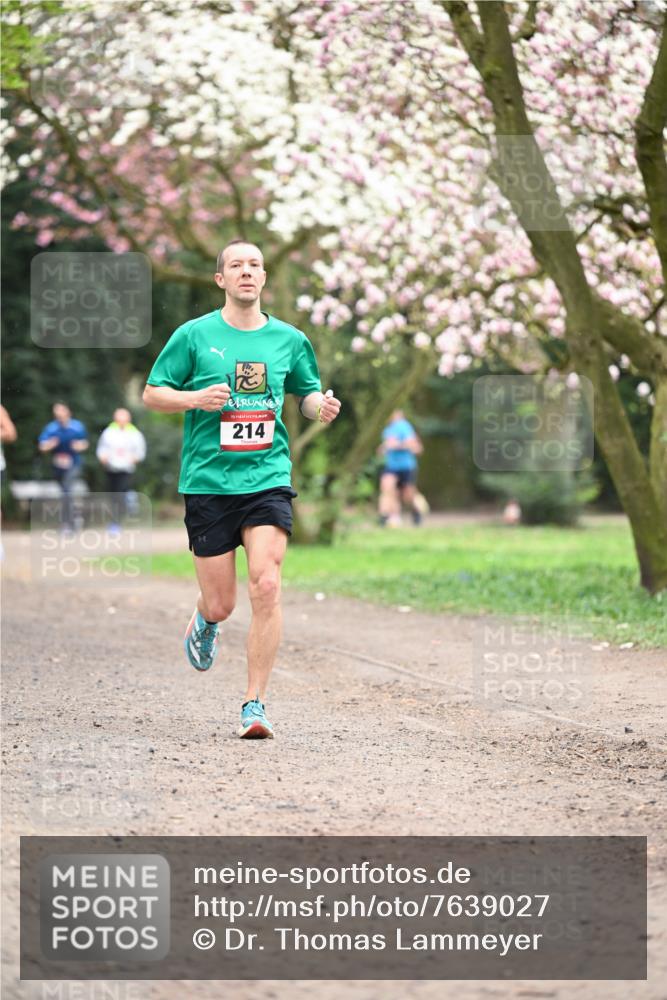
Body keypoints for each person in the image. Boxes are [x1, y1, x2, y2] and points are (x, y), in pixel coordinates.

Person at [142, 239, 341, 739]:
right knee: (222, 604)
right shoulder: (194, 335)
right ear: (221, 279)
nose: (246, 272)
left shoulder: (290, 340)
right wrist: (194, 398)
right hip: (208, 482)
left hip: (267, 478)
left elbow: (306, 391)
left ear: (264, 277)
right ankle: (205, 622)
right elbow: (152, 393)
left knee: (267, 585)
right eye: (236, 265)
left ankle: (254, 704)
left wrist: (320, 407)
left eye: (254, 265)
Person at [38, 402, 89, 533]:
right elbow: (42, 446)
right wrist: (50, 444)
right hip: (58, 466)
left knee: (67, 490)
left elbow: (85, 443)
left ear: (68, 412)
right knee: (65, 493)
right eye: (56, 414)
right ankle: (74, 519)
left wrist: (79, 446)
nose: (59, 415)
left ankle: (68, 523)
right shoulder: (51, 428)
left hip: (74, 464)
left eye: (61, 412)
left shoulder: (77, 427)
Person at [96, 408, 147, 534]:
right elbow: (102, 448)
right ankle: (128, 499)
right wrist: (103, 457)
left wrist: (134, 459)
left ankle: (116, 521)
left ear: (128, 419)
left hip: (125, 469)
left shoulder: (135, 433)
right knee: (113, 495)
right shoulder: (108, 432)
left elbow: (140, 451)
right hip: (111, 468)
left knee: (119, 494)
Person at [378, 408, 424, 527]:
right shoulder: (387, 430)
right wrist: (383, 449)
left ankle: (416, 511)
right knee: (387, 488)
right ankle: (383, 518)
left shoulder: (405, 426)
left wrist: (396, 445)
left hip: (406, 466)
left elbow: (414, 445)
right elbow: (386, 446)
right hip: (392, 466)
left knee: (408, 495)